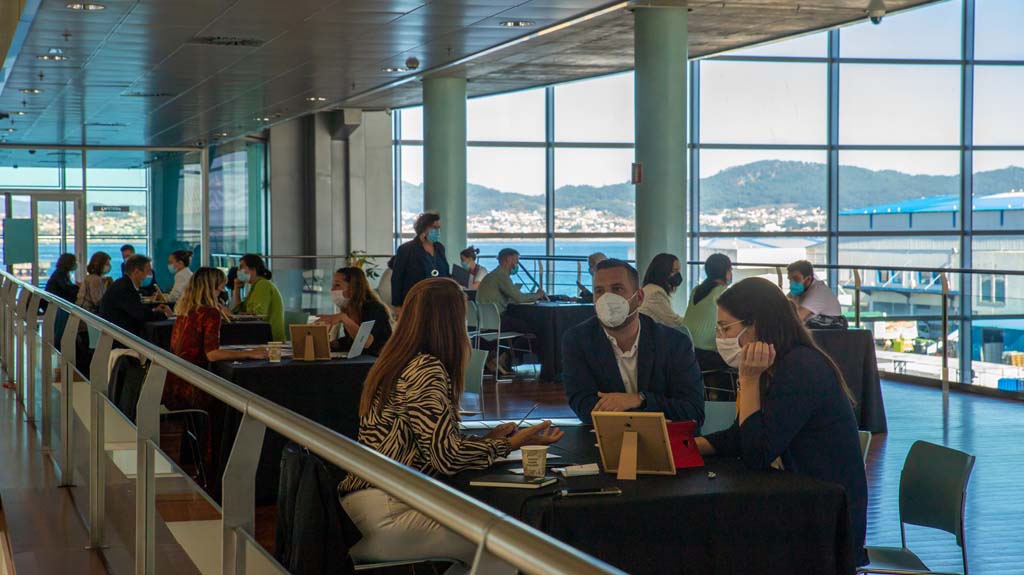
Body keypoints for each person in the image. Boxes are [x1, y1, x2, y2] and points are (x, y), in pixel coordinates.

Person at [338, 278, 562, 571]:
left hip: (374, 501)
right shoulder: (426, 370)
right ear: (450, 321)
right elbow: (446, 457)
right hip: (392, 509)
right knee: (506, 546)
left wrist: (488, 441)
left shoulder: (399, 362)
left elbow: (431, 443)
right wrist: (508, 444)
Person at [695, 277, 866, 564]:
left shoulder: (800, 368)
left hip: (825, 520)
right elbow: (744, 433)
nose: (719, 336)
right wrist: (689, 446)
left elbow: (756, 453)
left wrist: (748, 381)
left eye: (726, 327)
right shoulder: (779, 364)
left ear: (757, 325)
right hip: (796, 500)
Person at [562, 259, 704, 425]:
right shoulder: (578, 340)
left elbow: (693, 411)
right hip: (605, 440)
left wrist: (639, 400)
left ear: (639, 297)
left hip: (668, 444)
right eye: (599, 291)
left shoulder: (675, 344)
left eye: (617, 289)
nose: (608, 298)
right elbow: (583, 405)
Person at [168, 267, 266, 488]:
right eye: (221, 285)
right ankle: (219, 469)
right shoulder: (208, 313)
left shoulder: (184, 311)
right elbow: (212, 353)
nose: (224, 288)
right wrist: (248, 354)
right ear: (212, 287)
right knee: (231, 408)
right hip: (195, 388)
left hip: (176, 383)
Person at [317, 266, 393, 356]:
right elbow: (352, 342)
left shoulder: (374, 308)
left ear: (352, 288)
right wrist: (332, 344)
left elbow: (366, 342)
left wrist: (343, 318)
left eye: (337, 285)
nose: (332, 289)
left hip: (378, 361)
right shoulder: (350, 310)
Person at [683, 253, 733, 372]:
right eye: (730, 269)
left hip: (687, 349)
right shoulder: (723, 294)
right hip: (707, 354)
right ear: (726, 272)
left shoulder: (696, 290)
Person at [99, 255, 172, 337]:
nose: (150, 274)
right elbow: (140, 314)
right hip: (119, 339)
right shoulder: (124, 289)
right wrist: (164, 315)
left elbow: (137, 309)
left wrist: (154, 310)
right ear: (136, 272)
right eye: (148, 271)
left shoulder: (124, 284)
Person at [391, 211, 450, 311]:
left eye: (439, 228)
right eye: (434, 228)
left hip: (439, 302)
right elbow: (397, 278)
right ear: (424, 228)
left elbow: (445, 272)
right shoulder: (406, 249)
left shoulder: (439, 248)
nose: (437, 231)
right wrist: (397, 306)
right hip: (416, 302)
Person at [231, 254, 286, 341]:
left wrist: (241, 315)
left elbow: (258, 316)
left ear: (253, 269)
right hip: (259, 334)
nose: (238, 271)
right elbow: (238, 310)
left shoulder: (263, 285)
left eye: (241, 267)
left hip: (270, 339)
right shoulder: (254, 287)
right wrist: (236, 289)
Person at [787, 260, 847, 329]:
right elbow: (781, 305)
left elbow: (797, 317)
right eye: (790, 279)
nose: (792, 282)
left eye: (796, 279)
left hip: (828, 332)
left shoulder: (819, 291)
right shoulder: (799, 290)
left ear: (808, 279)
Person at [638, 253, 687, 330]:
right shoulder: (655, 293)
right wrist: (693, 323)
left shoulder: (650, 288)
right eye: (674, 271)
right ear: (662, 271)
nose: (678, 275)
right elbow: (673, 321)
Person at [45, 253, 80, 348]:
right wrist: (78, 288)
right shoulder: (61, 274)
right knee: (60, 332)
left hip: (57, 305)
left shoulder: (61, 273)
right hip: (58, 307)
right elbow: (66, 289)